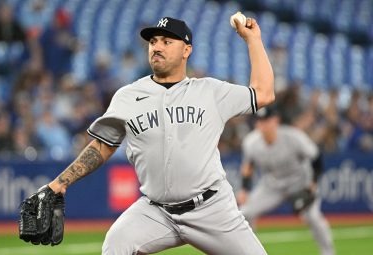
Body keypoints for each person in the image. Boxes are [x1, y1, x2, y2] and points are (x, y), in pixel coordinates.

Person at [47, 16, 274, 254]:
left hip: (212, 208)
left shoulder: (210, 91)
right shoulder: (127, 96)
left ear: (187, 50)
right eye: (153, 41)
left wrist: (253, 40)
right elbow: (102, 146)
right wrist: (58, 184)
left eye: (167, 41)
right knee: (116, 243)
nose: (156, 46)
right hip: (156, 212)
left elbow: (264, 93)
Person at [237, 105, 335, 255]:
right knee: (245, 213)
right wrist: (244, 189)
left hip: (300, 183)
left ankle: (328, 253)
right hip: (272, 186)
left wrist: (313, 183)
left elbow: (316, 157)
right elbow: (248, 167)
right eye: (260, 121)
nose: (263, 124)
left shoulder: (293, 137)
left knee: (313, 217)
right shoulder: (251, 142)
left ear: (276, 121)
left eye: (267, 120)